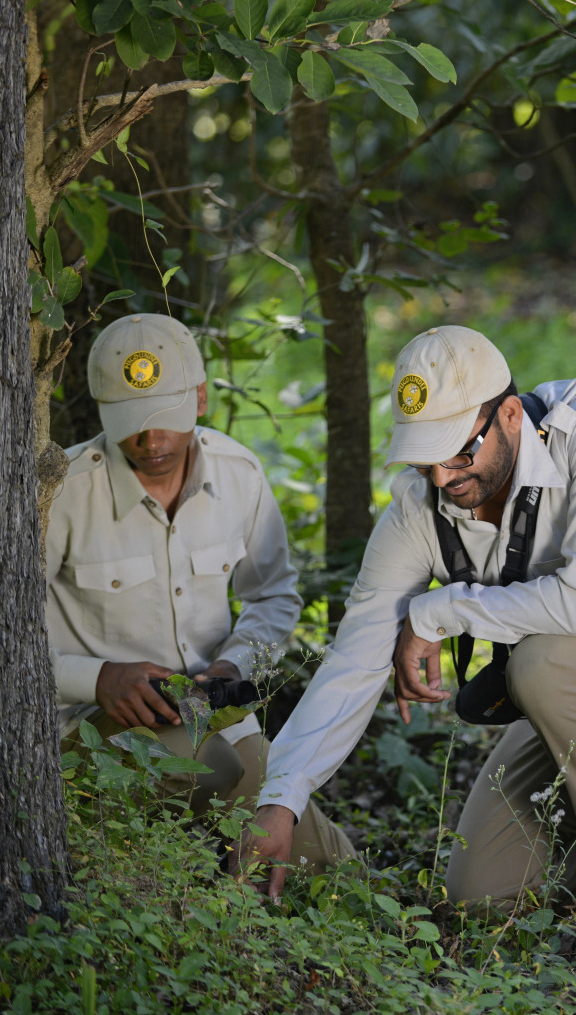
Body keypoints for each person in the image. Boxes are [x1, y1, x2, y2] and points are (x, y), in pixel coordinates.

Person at [242, 326, 576, 916]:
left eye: (459, 449)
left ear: (510, 414)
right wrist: (279, 801)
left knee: (544, 663)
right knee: (482, 894)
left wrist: (438, 610)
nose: (441, 476)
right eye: (424, 457)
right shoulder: (421, 508)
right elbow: (355, 659)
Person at [46, 313, 353, 870]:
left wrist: (234, 666)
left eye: (166, 417)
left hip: (216, 715)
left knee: (326, 863)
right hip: (89, 730)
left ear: (201, 398)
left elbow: (275, 595)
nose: (150, 439)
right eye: (132, 420)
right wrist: (98, 677)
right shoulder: (64, 493)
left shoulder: (239, 474)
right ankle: (135, 870)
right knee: (207, 763)